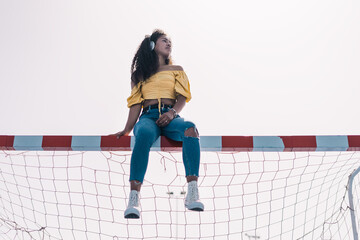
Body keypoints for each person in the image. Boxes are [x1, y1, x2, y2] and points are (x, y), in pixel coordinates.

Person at [112, 29, 204, 219]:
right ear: (153, 46)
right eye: (164, 40)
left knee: (191, 129)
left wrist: (171, 114)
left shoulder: (176, 69)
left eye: (170, 41)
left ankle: (192, 192)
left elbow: (182, 97)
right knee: (143, 134)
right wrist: (127, 129)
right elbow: (136, 104)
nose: (169, 43)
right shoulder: (140, 75)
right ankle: (134, 198)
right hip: (148, 117)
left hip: (171, 117)